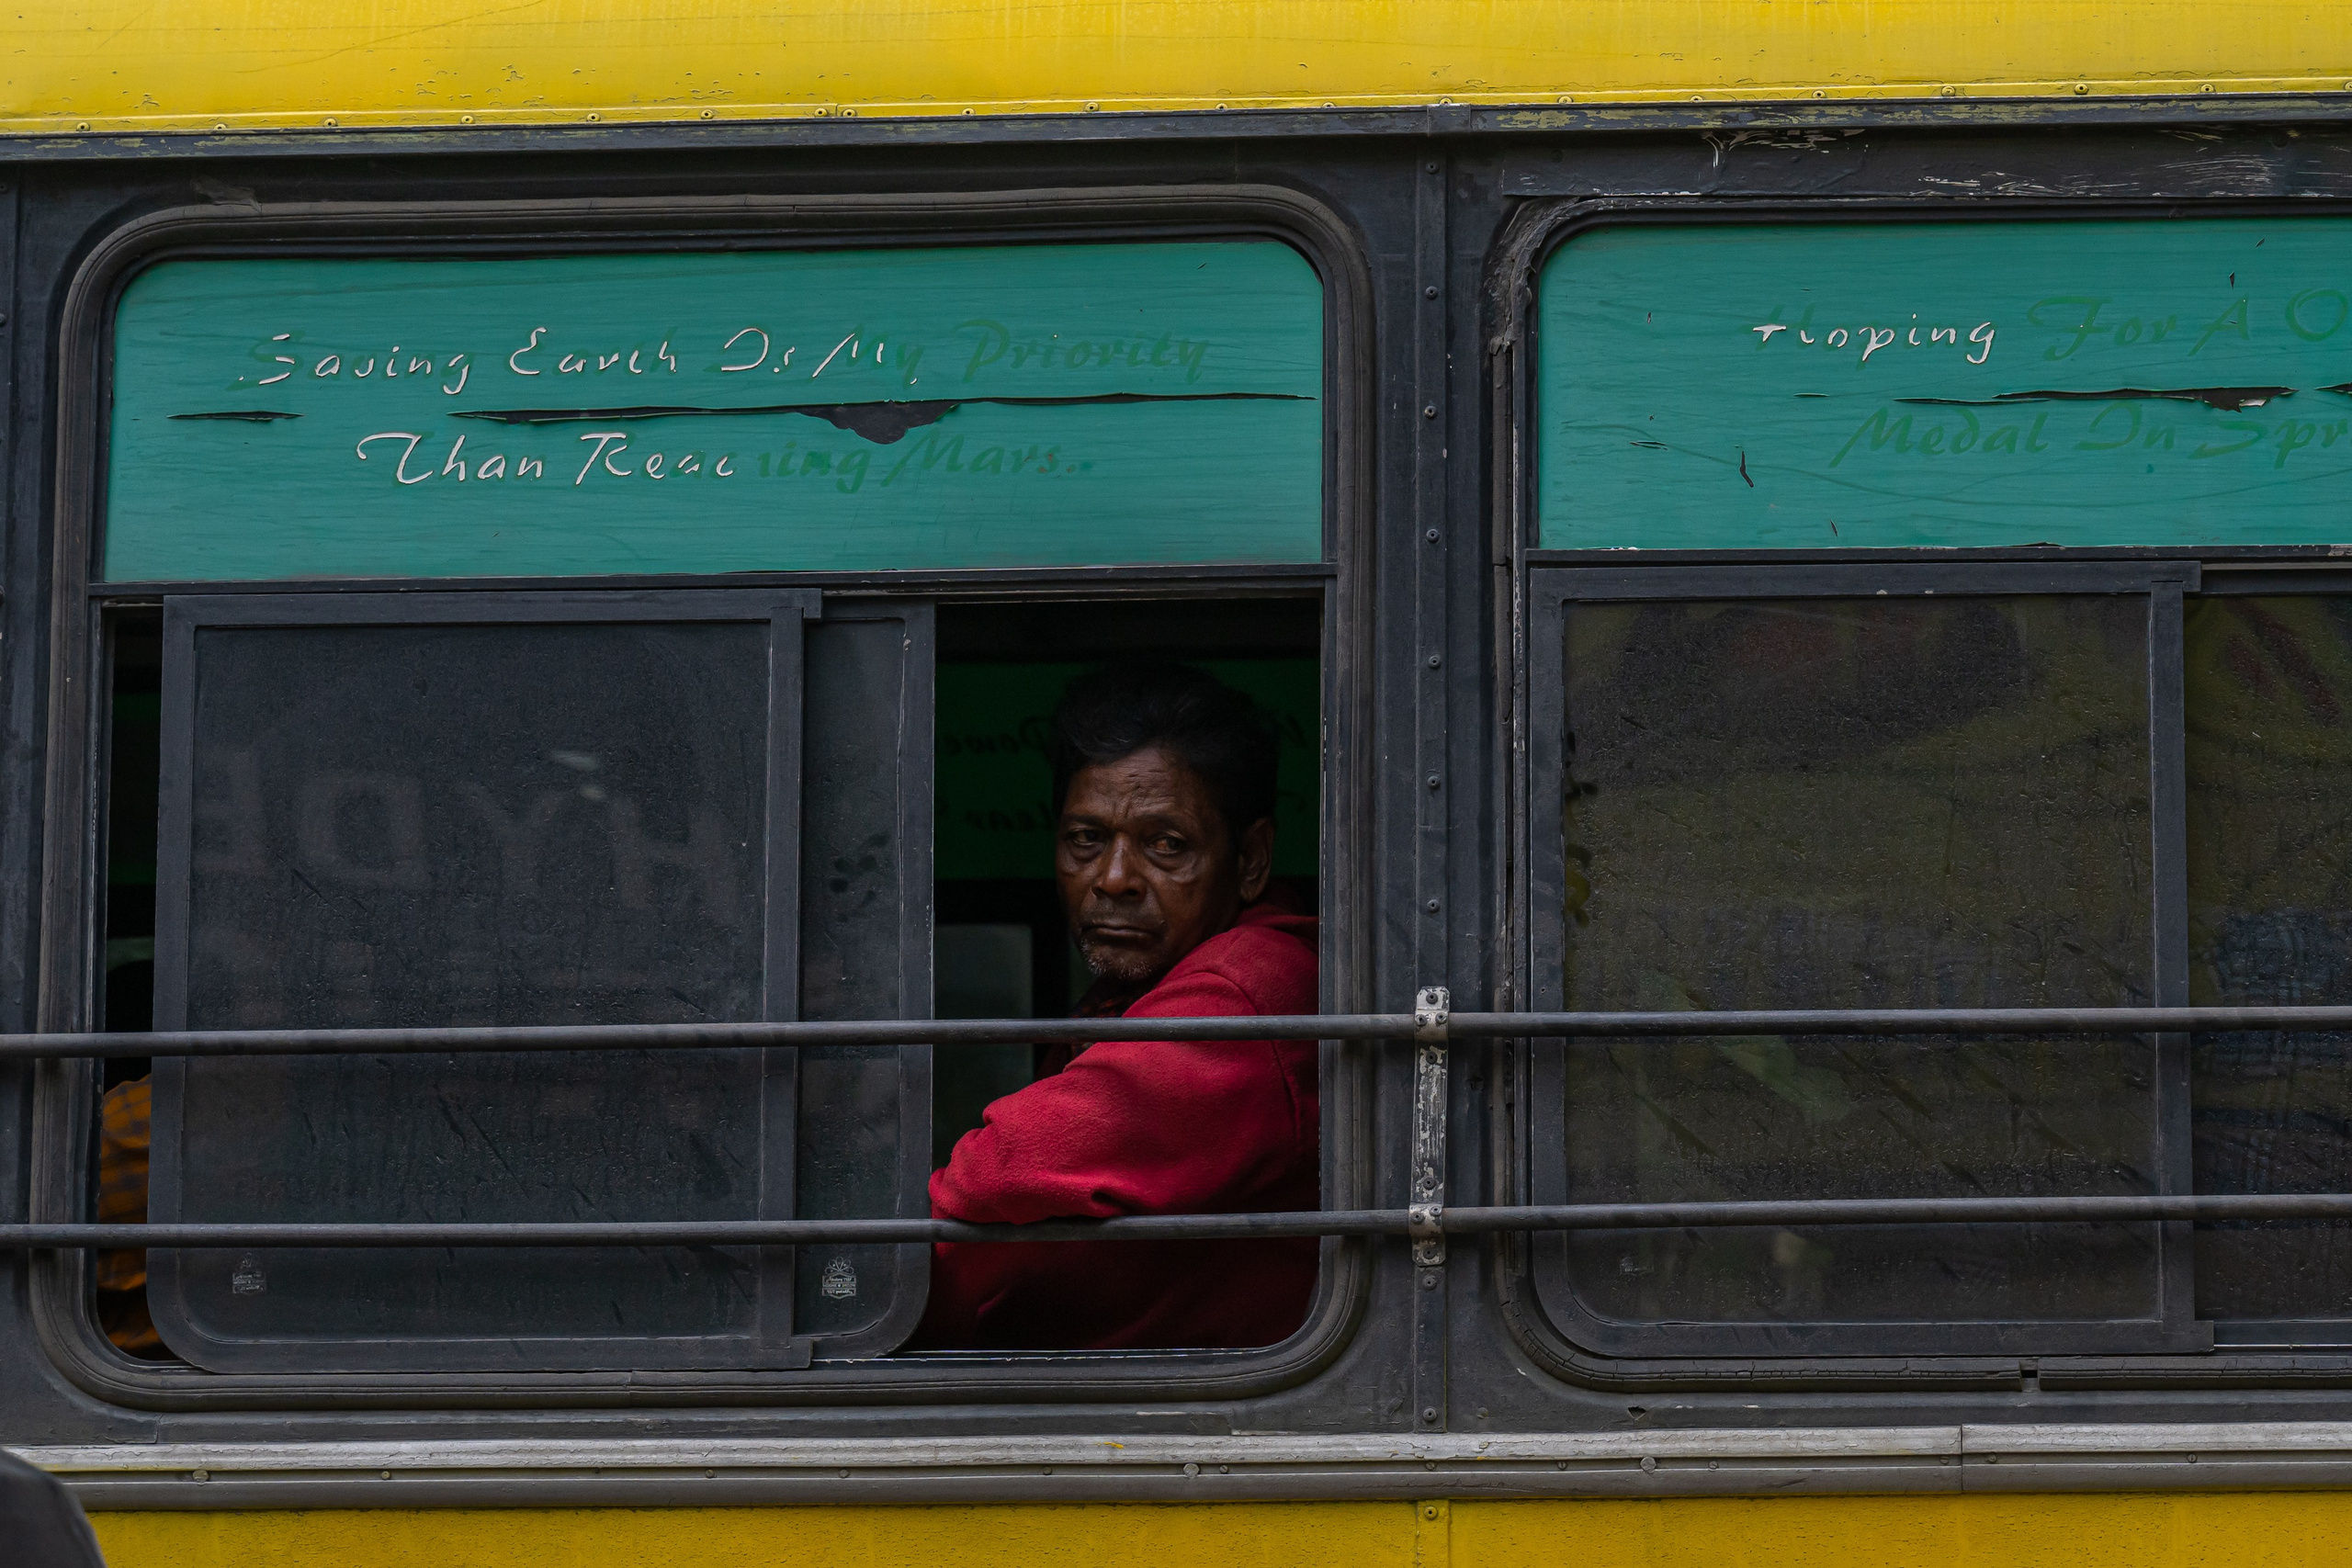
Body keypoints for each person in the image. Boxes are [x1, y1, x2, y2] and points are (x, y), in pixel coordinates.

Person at [909, 663, 1319, 1350]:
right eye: (1086, 840)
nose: (1115, 878)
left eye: (1167, 845)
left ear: (1250, 859)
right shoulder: (1127, 993)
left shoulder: (1250, 988)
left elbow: (998, 1180)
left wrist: (860, 1289)